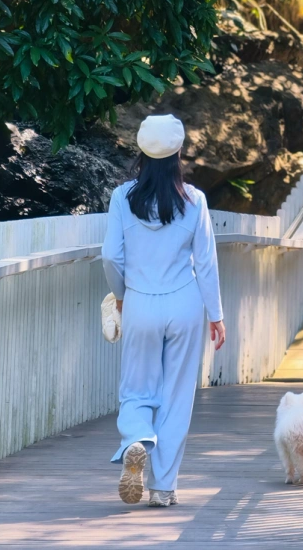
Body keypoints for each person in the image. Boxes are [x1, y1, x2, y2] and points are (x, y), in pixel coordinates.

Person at [101, 113, 225, 508]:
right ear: (178, 153)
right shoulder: (195, 201)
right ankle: (163, 488)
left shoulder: (123, 197)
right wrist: (216, 315)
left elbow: (110, 256)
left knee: (136, 388)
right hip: (185, 303)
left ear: (140, 151)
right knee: (175, 396)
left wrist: (120, 296)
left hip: (140, 300)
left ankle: (136, 438)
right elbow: (205, 263)